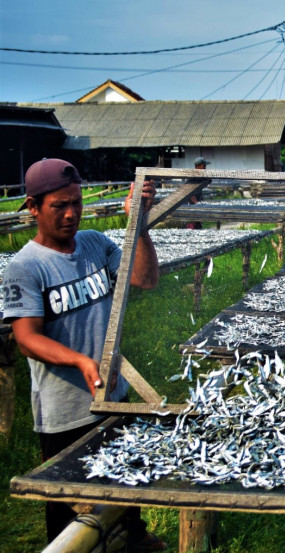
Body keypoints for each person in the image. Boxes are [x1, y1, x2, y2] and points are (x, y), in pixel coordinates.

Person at [2, 159, 165, 551]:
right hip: (65, 415)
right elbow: (26, 337)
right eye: (60, 205)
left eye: (76, 202)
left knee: (124, 494)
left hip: (114, 397)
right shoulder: (24, 268)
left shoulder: (94, 243)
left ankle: (132, 541)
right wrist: (79, 360)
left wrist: (138, 223)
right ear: (33, 207)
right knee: (72, 525)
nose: (72, 213)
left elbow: (144, 279)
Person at [185, 157, 210, 230]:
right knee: (192, 226)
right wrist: (197, 204)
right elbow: (189, 193)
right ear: (199, 166)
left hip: (196, 205)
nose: (205, 168)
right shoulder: (192, 177)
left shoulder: (199, 176)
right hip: (191, 206)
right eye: (204, 166)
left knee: (198, 225)